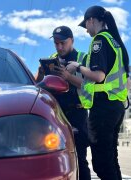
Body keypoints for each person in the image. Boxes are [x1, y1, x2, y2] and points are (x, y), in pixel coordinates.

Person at [67, 6, 129, 180]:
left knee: (102, 164)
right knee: (111, 160)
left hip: (103, 107)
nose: (86, 30)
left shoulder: (99, 41)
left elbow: (99, 76)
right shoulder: (115, 42)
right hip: (116, 105)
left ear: (91, 20)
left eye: (85, 25)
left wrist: (77, 66)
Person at [35, 26, 91, 180]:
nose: (59, 47)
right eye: (56, 43)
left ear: (72, 40)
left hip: (77, 114)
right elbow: (36, 85)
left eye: (63, 43)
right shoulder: (51, 58)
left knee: (80, 159)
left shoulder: (83, 58)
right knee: (53, 159)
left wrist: (68, 77)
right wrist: (40, 73)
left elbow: (91, 86)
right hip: (55, 115)